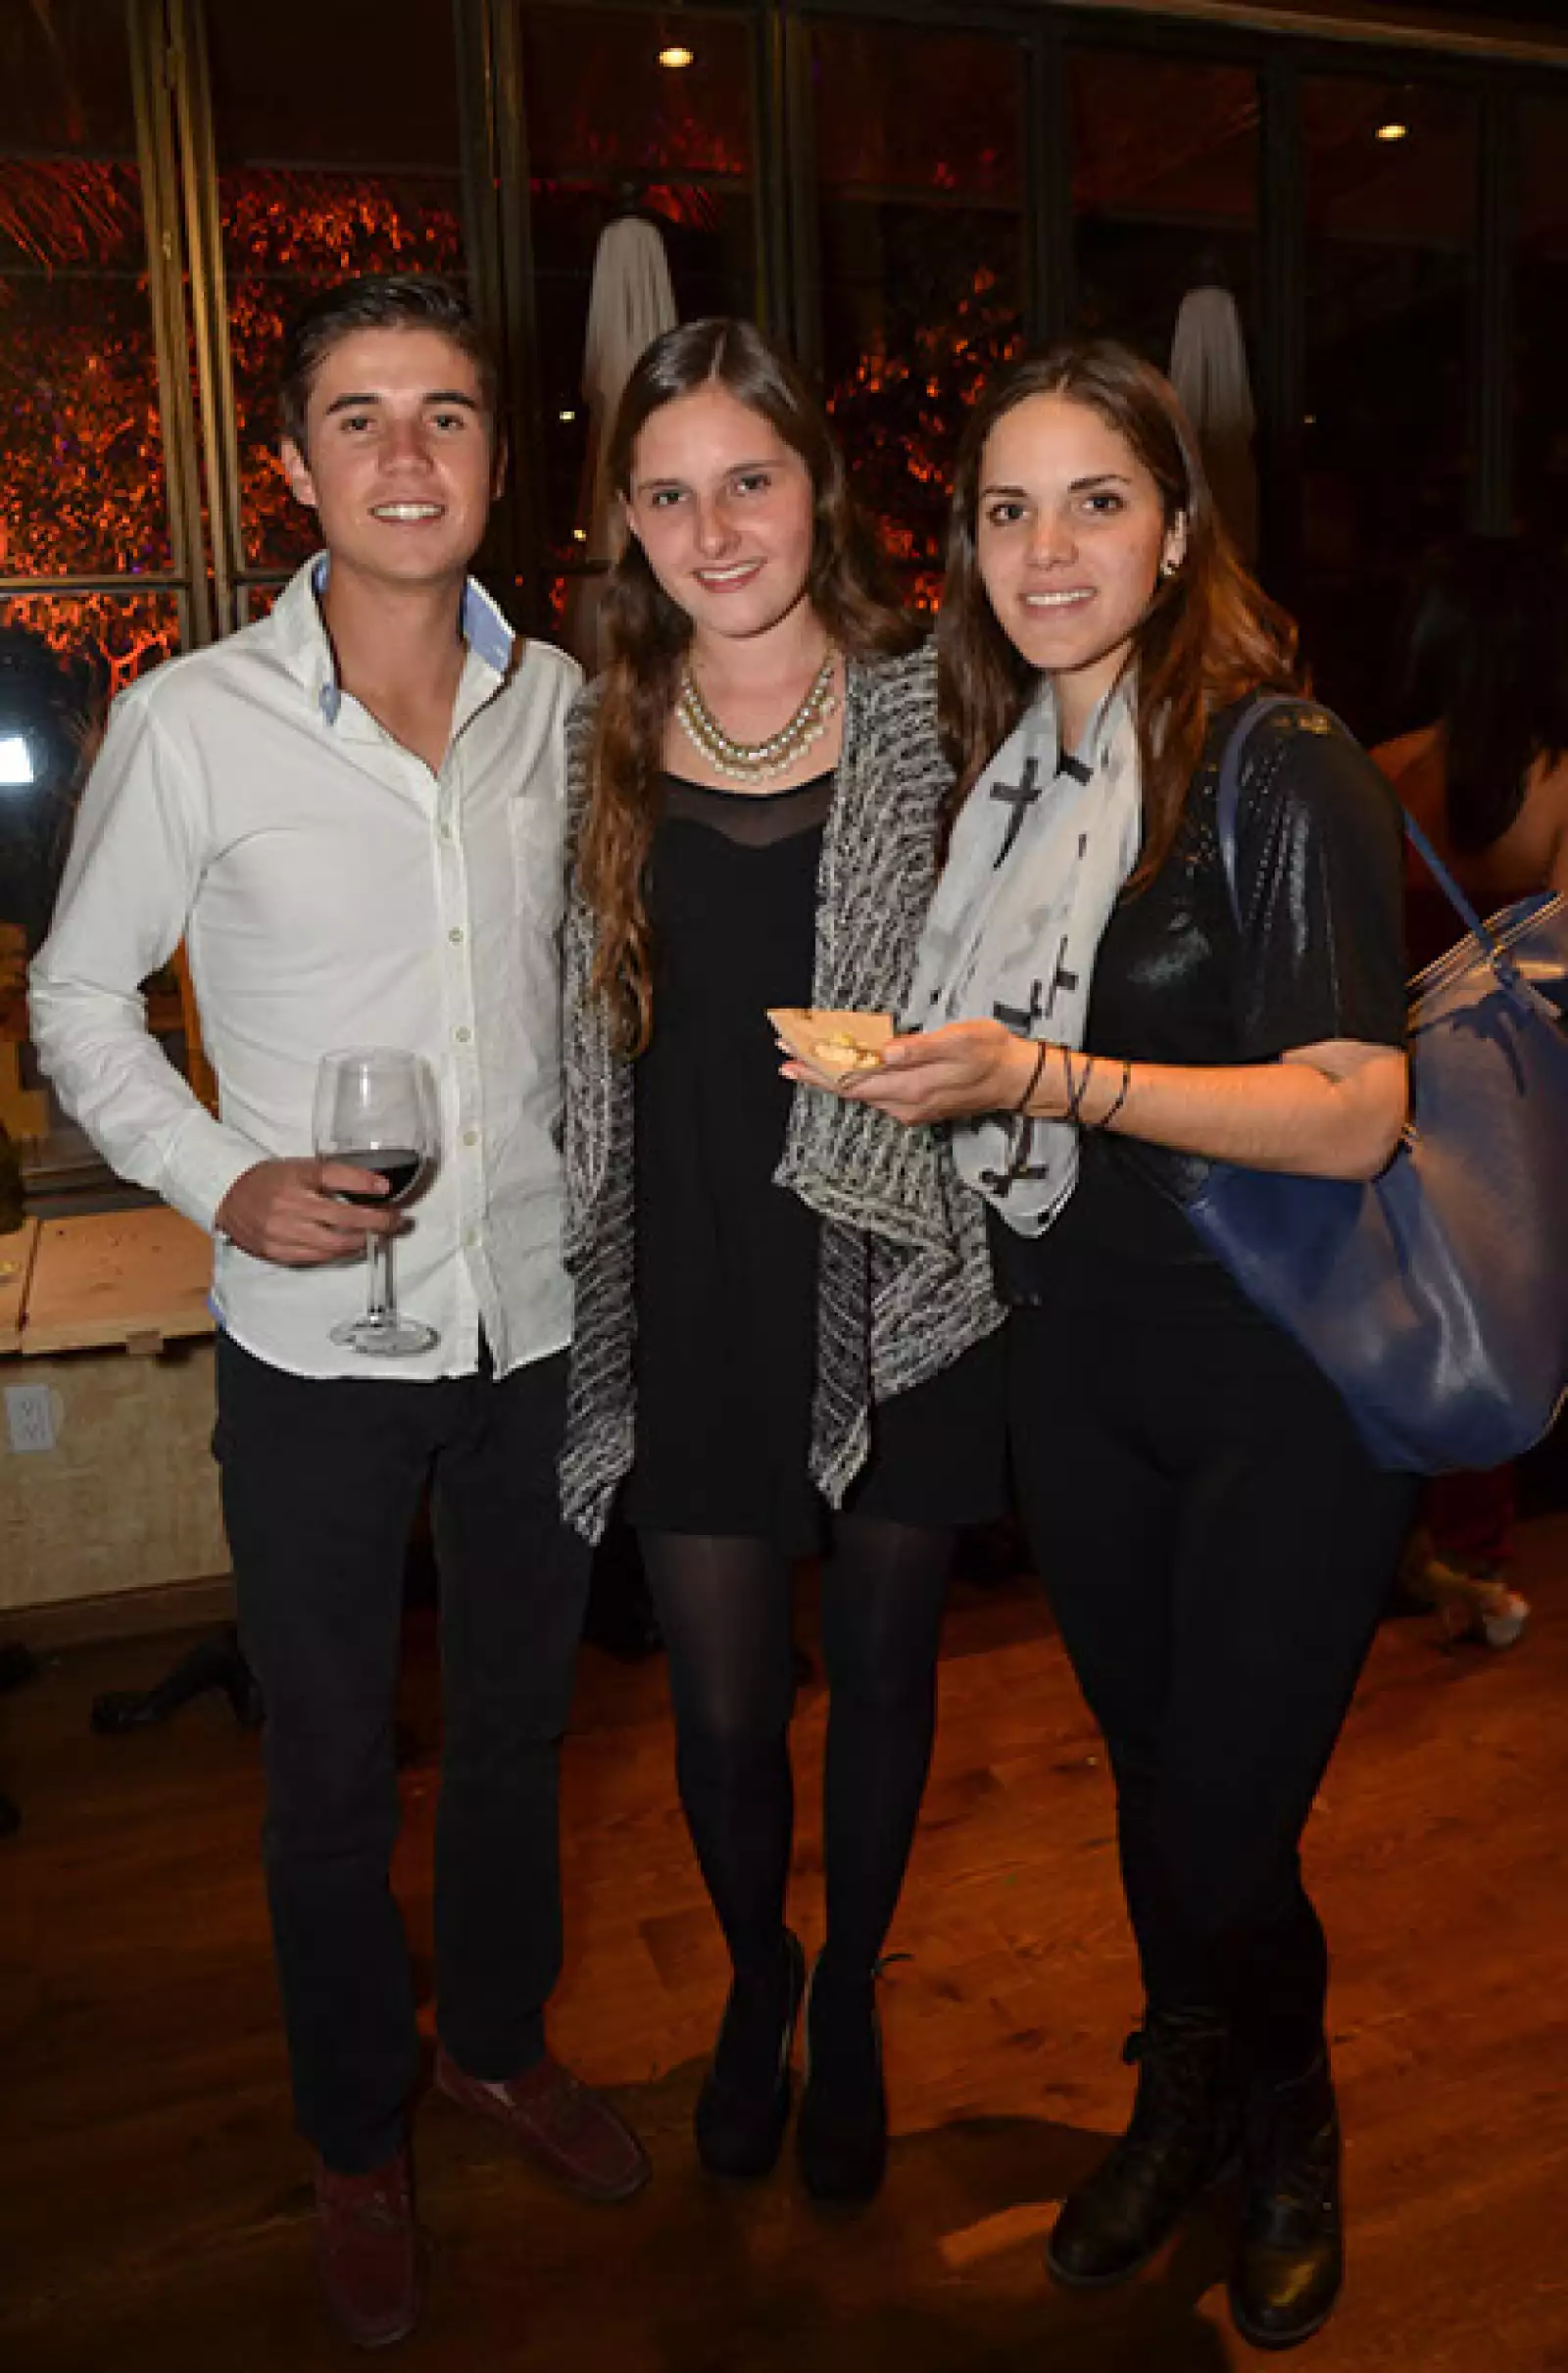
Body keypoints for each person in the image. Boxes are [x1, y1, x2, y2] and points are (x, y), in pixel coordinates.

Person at [29, 274, 647, 2350]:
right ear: (292, 464)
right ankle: (355, 2128)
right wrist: (222, 1175)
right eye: (359, 416)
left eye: (445, 412)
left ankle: (497, 2043)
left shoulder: (569, 710)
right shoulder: (189, 720)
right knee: (324, 1772)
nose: (405, 453)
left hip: (532, 1319)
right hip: (314, 1348)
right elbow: (77, 998)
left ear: (496, 455)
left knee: (519, 1728)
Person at [807, 339, 1416, 2350]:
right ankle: (1186, 2095)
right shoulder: (1004, 787)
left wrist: (1045, 1078)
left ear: (1171, 531)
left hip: (1276, 1385)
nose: (1046, 547)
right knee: (1156, 1791)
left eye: (1094, 501)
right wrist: (920, 1077)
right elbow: (994, 1074)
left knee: (1219, 1817)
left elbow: (1353, 1107)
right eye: (1007, 508)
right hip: (1071, 1370)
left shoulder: (1274, 759)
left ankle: (1287, 2123)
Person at [561, 318, 1004, 2204]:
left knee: (888, 1678)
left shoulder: (941, 702)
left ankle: (861, 1999)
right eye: (669, 494)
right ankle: (762, 1977)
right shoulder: (590, 730)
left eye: (749, 478)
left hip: (901, 1266)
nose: (715, 528)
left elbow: (1038, 961)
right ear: (626, 518)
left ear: (818, 484)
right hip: (686, 1268)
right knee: (728, 1707)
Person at [1372, 535, 1568, 1650]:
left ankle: (1394, 1546)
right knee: (1492, 1325)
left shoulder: (1372, 769)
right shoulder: (1557, 784)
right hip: (1509, 1110)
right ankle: (1474, 1556)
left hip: (1384, 1098)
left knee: (1399, 1320)